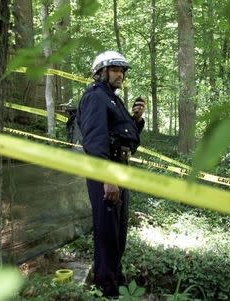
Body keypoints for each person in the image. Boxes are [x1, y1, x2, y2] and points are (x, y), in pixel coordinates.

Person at [77, 50, 145, 298]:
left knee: (118, 231)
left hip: (120, 168)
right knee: (106, 231)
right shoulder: (95, 97)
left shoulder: (114, 100)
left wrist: (136, 120)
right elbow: (95, 141)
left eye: (122, 71)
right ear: (101, 72)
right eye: (115, 70)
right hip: (106, 170)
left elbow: (129, 141)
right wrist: (107, 178)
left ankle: (115, 277)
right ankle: (107, 288)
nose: (120, 75)